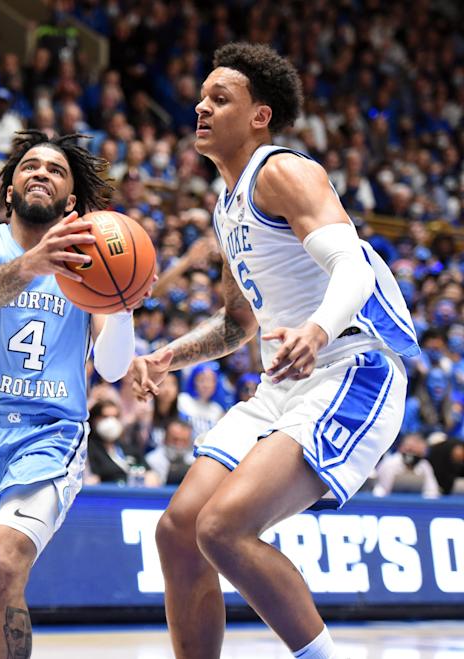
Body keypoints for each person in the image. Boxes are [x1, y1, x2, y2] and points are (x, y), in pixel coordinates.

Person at [129, 43, 419, 659]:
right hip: (284, 383)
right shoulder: (225, 206)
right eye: (201, 97)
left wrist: (316, 329)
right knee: (180, 532)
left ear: (259, 116)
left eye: (219, 99)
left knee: (223, 527)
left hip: (350, 364)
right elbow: (238, 324)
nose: (200, 108)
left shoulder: (283, 170)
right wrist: (166, 357)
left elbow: (352, 268)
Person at [0, 130, 147, 659]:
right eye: (29, 166)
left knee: (2, 569)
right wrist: (35, 263)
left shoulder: (92, 261)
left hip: (51, 434)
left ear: (71, 200)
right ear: (9, 188)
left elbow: (114, 369)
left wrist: (124, 303)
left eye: (55, 169)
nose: (40, 172)